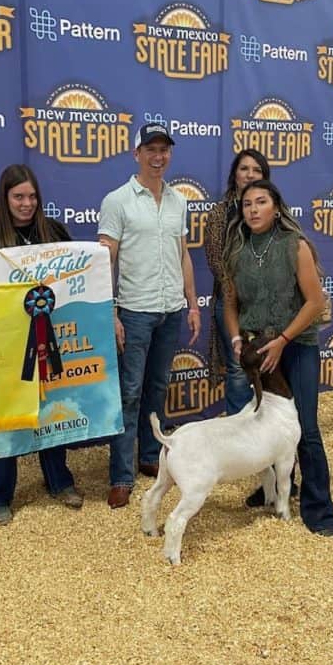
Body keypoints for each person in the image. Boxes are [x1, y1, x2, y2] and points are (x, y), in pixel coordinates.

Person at [0, 164, 83, 525]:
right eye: (19, 197)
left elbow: (75, 276)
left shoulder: (55, 231)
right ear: (5, 198)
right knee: (6, 417)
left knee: (53, 410)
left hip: (51, 338)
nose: (26, 203)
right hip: (6, 342)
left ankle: (59, 481)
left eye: (31, 196)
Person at [223, 179, 333, 537]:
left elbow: (315, 302)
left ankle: (319, 510)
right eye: (247, 204)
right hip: (259, 352)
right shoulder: (236, 249)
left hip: (297, 346)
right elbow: (230, 303)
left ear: (276, 207)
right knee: (262, 426)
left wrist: (284, 340)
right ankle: (274, 492)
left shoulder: (295, 245)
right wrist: (238, 338)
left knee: (305, 427)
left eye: (261, 202)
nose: (254, 209)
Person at [97, 122, 200, 509]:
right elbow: (107, 259)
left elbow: (184, 254)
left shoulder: (178, 201)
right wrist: (111, 310)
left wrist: (192, 304)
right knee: (129, 394)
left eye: (165, 150)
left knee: (156, 391)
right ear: (136, 153)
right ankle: (121, 475)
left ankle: (147, 459)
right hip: (135, 311)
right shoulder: (117, 200)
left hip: (171, 310)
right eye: (151, 150)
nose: (159, 157)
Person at [203, 149, 268, 416]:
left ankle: (268, 432)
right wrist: (239, 291)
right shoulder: (220, 214)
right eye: (244, 168)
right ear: (234, 174)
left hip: (268, 305)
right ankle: (241, 437)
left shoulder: (274, 210)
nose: (250, 174)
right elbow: (215, 259)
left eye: (256, 170)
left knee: (268, 364)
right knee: (239, 368)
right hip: (231, 302)